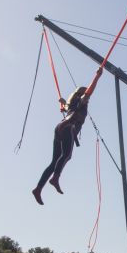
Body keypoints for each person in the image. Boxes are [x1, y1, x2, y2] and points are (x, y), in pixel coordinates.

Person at [32, 67, 103, 205]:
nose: (88, 100)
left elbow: (65, 106)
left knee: (54, 162)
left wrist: (63, 103)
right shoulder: (82, 101)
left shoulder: (71, 104)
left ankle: (38, 188)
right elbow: (89, 91)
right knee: (67, 155)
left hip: (59, 128)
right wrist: (97, 76)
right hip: (68, 128)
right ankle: (55, 178)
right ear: (82, 95)